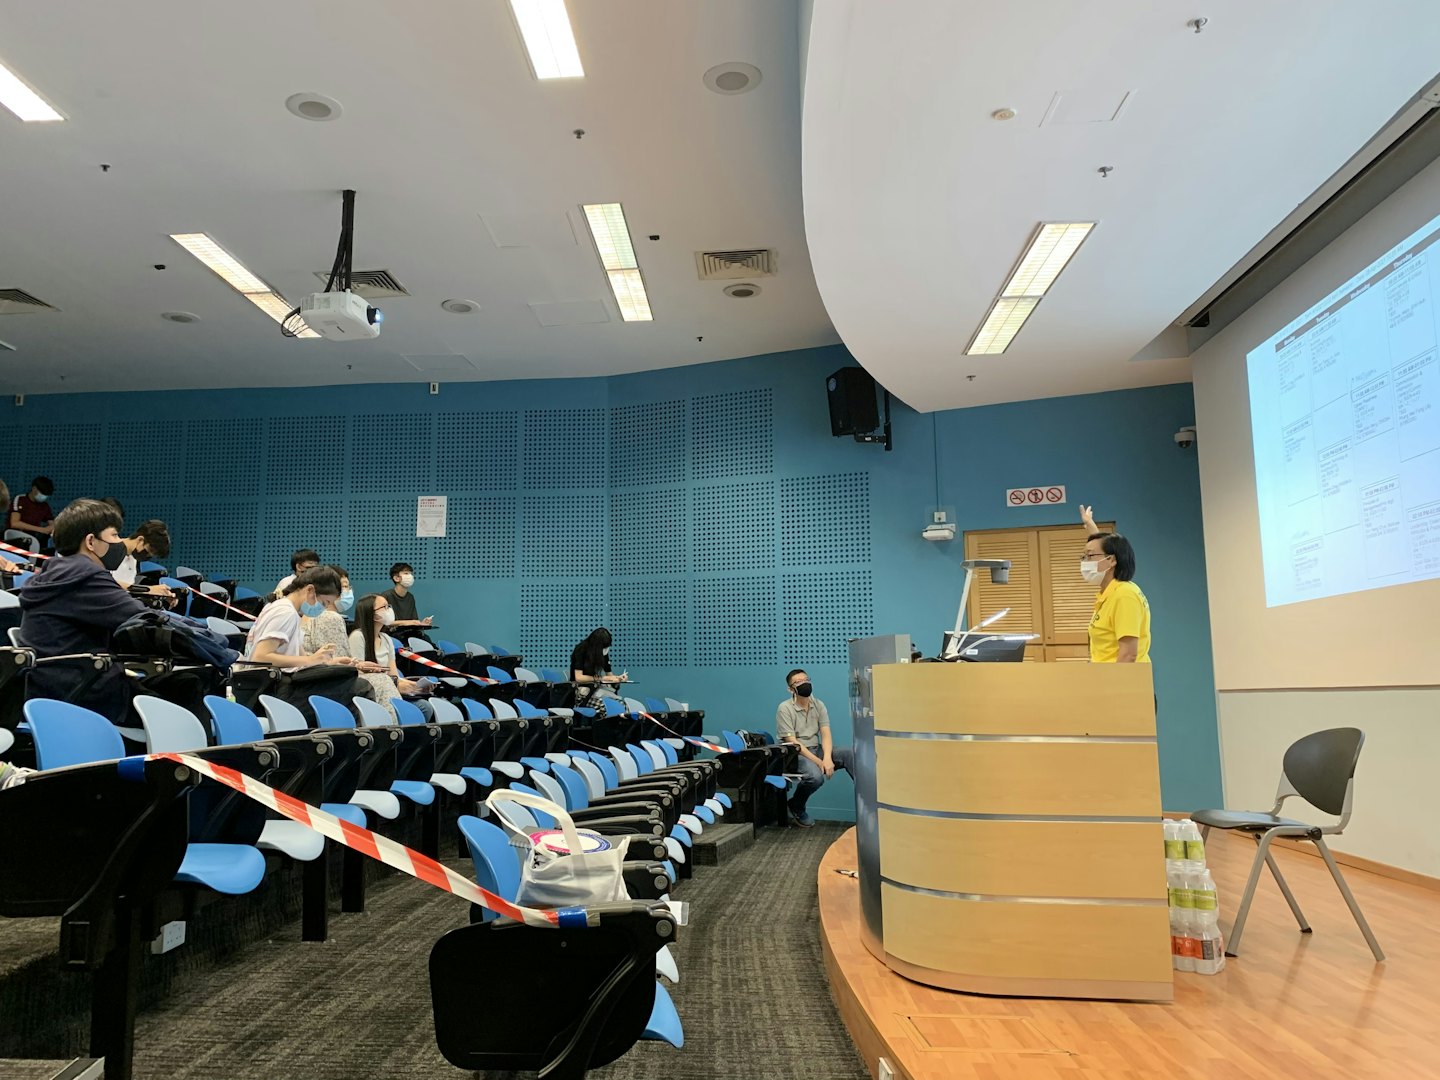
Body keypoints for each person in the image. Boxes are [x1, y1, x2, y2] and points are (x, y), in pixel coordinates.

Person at [17, 498, 150, 724]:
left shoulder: (56, 571)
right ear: (90, 541)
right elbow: (143, 617)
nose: (120, 542)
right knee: (182, 692)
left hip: (57, 688)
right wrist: (209, 639)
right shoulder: (86, 576)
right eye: (115, 535)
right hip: (83, 695)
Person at [244, 566, 364, 722]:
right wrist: (310, 660)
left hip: (283, 684)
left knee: (347, 678)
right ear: (310, 590)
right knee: (358, 688)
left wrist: (327, 662)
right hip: (274, 689)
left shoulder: (291, 612)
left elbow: (298, 657)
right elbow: (260, 657)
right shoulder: (284, 612)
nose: (323, 609)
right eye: (324, 603)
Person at [776, 668, 854, 828]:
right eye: (798, 682)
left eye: (806, 679)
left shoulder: (818, 705)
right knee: (815, 777)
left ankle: (866, 799)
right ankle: (796, 805)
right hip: (795, 754)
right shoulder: (784, 708)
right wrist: (820, 762)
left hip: (816, 749)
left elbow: (825, 733)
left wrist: (827, 758)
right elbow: (794, 743)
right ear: (790, 689)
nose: (804, 683)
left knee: (849, 753)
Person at [1079, 504, 1151, 664]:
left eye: (1089, 556)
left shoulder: (1124, 595)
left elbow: (1128, 655)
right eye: (1084, 557)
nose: (1085, 562)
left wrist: (1113, 681)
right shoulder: (1109, 594)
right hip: (1104, 675)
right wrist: (1091, 528)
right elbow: (1104, 548)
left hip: (1122, 679)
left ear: (1111, 560)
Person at [349, 593, 437, 719]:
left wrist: (417, 687)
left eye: (389, 606)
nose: (389, 610)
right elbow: (358, 674)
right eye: (384, 607)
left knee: (425, 707)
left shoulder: (386, 639)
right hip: (373, 692)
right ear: (372, 614)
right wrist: (397, 685)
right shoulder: (357, 637)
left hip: (390, 687)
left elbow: (394, 676)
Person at [570, 627, 628, 711]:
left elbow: (609, 675)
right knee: (606, 708)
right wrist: (601, 678)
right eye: (604, 647)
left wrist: (618, 678)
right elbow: (579, 678)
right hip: (582, 690)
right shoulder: (581, 650)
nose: (606, 650)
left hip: (596, 689)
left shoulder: (603, 652)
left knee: (622, 705)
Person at [111, 519, 173, 592]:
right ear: (140, 539)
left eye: (152, 554)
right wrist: (148, 589)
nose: (148, 555)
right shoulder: (109, 549)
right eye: (149, 550)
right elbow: (106, 582)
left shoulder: (134, 560)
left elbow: (130, 588)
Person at [8, 475, 56, 552]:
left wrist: (51, 528)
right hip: (15, 538)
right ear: (34, 489)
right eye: (42, 493)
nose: (43, 497)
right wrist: (41, 529)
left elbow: (52, 524)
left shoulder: (45, 506)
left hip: (33, 540)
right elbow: (14, 523)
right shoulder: (20, 499)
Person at [382, 562, 432, 629]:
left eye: (411, 574)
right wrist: (406, 622)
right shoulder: (386, 596)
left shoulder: (410, 597)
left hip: (407, 632)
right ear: (396, 578)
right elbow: (382, 621)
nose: (410, 576)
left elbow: (413, 621)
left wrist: (421, 624)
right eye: (406, 573)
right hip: (391, 633)